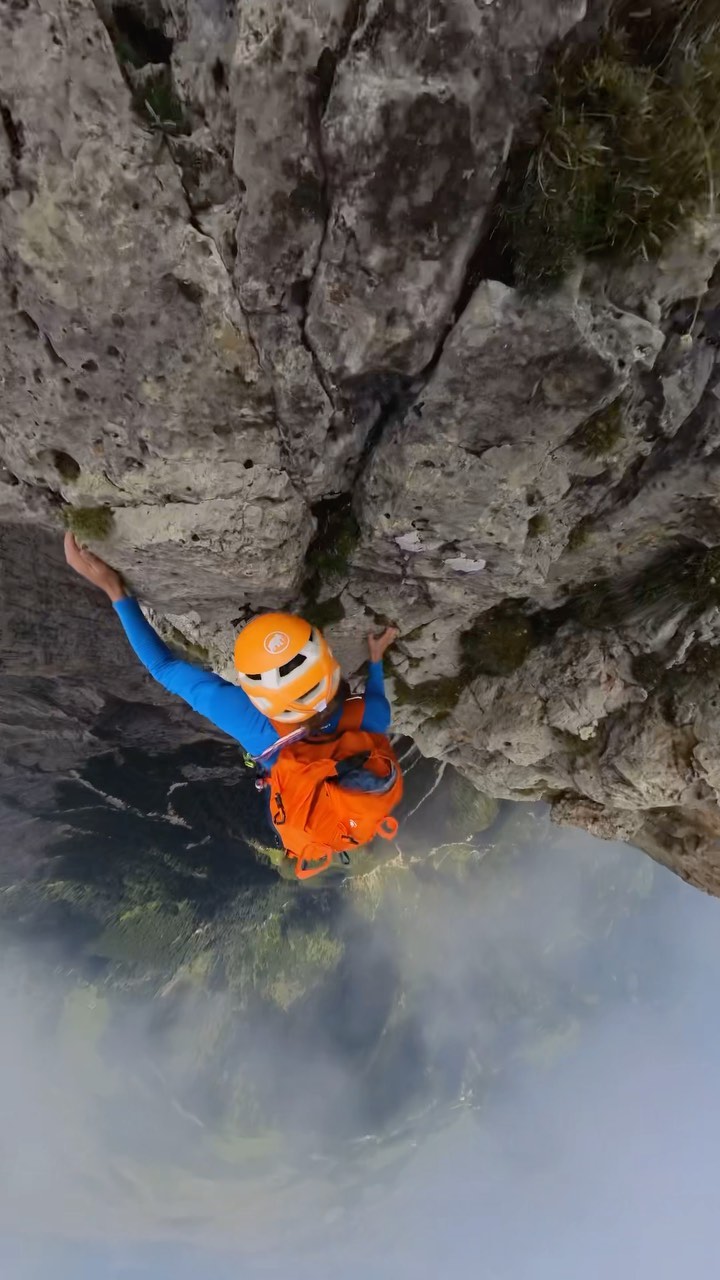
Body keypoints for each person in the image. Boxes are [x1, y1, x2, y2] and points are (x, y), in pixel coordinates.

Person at [63, 529, 398, 772]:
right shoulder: (371, 714)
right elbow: (162, 668)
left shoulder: (256, 724)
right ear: (329, 663)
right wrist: (115, 591)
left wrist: (375, 659)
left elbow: (164, 666)